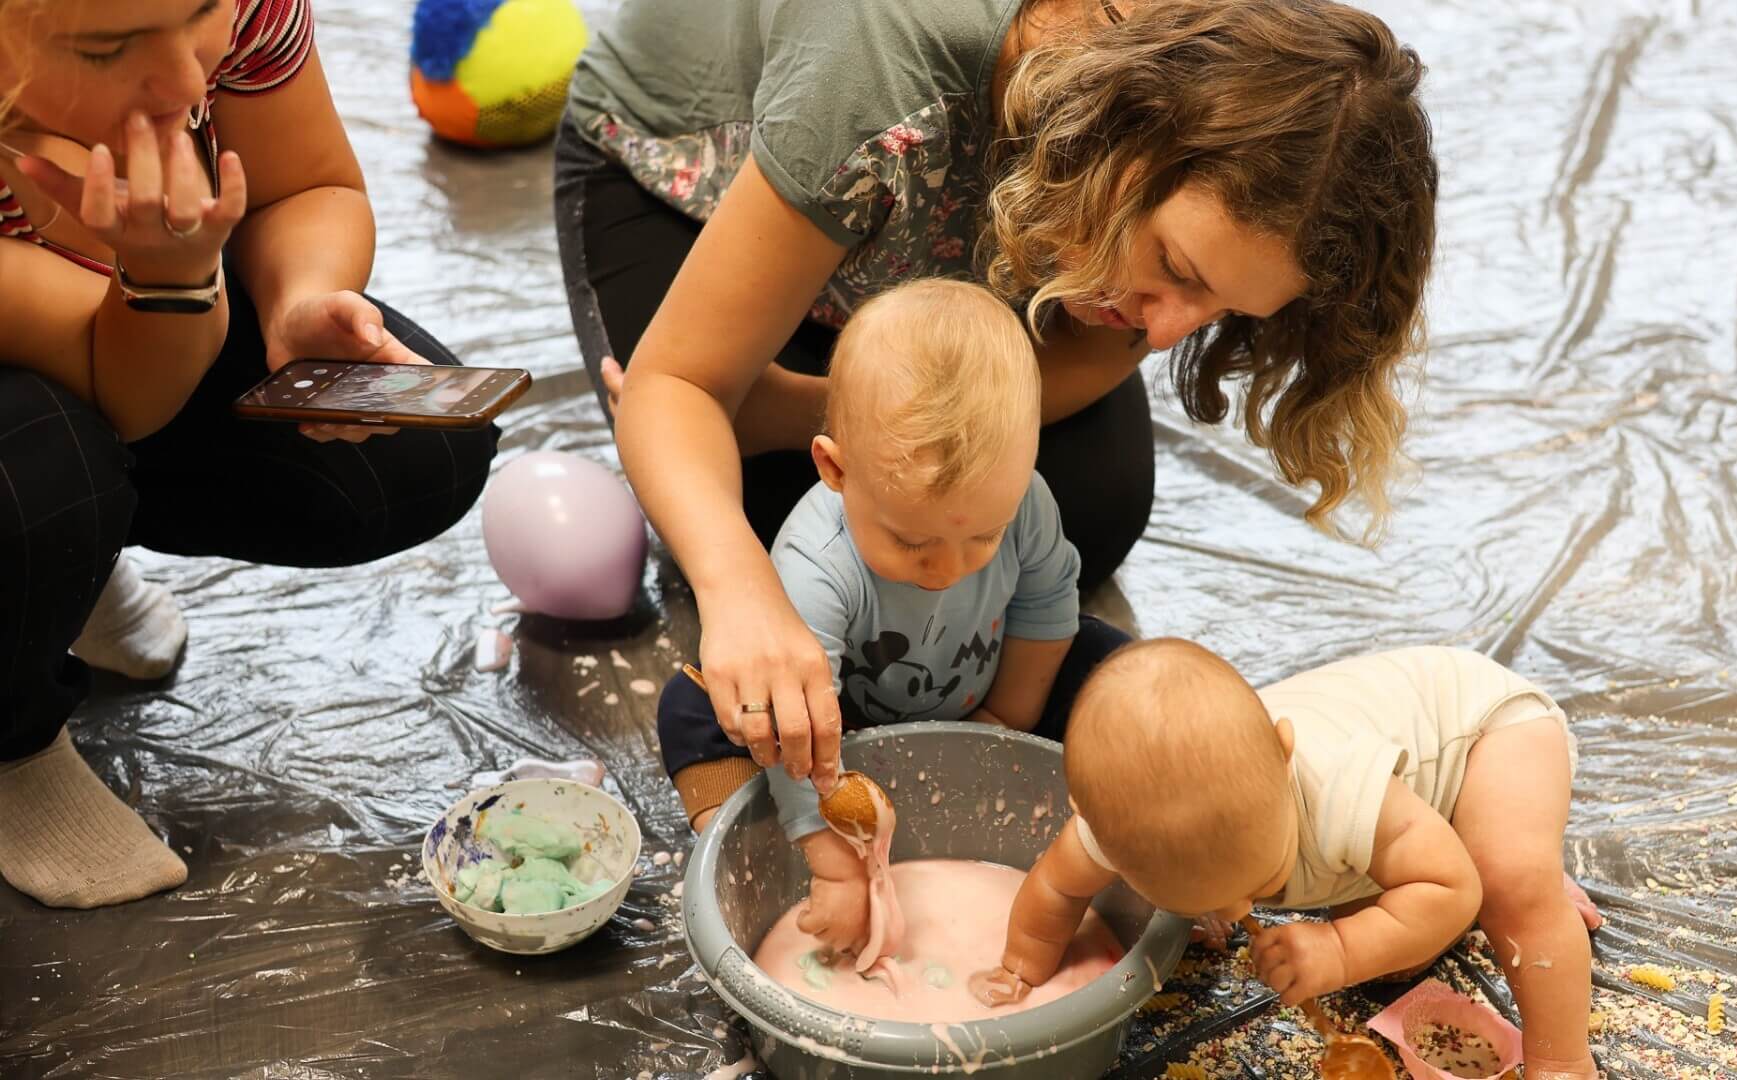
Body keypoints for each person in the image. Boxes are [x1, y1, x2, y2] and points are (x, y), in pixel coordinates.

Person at [554, 0, 1439, 791]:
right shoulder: (888, 51)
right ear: (1127, 127)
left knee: (1069, 511)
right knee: (802, 534)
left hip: (930, 217)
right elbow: (676, 384)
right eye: (1174, 269)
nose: (1166, 333)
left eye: (1221, 309)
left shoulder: (1223, 117)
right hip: (690, 179)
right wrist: (740, 589)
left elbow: (1093, 357)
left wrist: (792, 412)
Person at [0, 0, 497, 909]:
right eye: (109, 48)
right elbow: (123, 394)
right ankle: (14, 739)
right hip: (82, 346)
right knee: (43, 479)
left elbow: (307, 186)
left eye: (202, 14)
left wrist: (301, 302)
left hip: (122, 319)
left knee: (407, 462)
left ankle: (59, 572)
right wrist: (174, 276)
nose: (191, 81)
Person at [655, 280, 1131, 953]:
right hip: (837, 727)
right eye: (913, 541)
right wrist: (830, 861)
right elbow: (797, 726)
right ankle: (753, 836)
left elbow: (1049, 603)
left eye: (983, 537)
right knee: (699, 707)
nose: (951, 569)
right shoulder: (815, 565)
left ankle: (1143, 832)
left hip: (984, 690)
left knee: (1117, 674)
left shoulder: (1025, 500)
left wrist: (1005, 723)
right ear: (834, 468)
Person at [973, 640, 1604, 1080]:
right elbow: (1055, 891)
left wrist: (1339, 950)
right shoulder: (1123, 820)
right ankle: (1492, 848)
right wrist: (1020, 971)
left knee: (1505, 884)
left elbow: (1451, 887)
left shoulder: (1335, 787)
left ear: (1284, 757)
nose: (1240, 911)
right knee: (1399, 957)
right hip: (1392, 829)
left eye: (1260, 881)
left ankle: (1563, 1057)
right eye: (1206, 901)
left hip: (1484, 736)